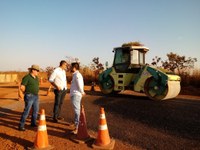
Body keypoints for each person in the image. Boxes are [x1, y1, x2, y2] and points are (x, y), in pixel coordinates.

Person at [18, 64, 40, 131]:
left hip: (36, 96)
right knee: (27, 111)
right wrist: (27, 92)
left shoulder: (36, 78)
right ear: (33, 70)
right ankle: (21, 125)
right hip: (29, 96)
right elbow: (22, 87)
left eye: (38, 71)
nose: (38, 72)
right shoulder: (27, 77)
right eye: (37, 70)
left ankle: (33, 123)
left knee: (35, 111)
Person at [70, 62, 85, 134]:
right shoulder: (75, 75)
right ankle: (77, 125)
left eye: (71, 67)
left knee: (77, 111)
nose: (70, 68)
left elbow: (79, 84)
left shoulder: (77, 75)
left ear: (74, 68)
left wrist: (82, 92)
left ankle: (77, 127)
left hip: (76, 94)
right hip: (75, 94)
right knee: (77, 110)